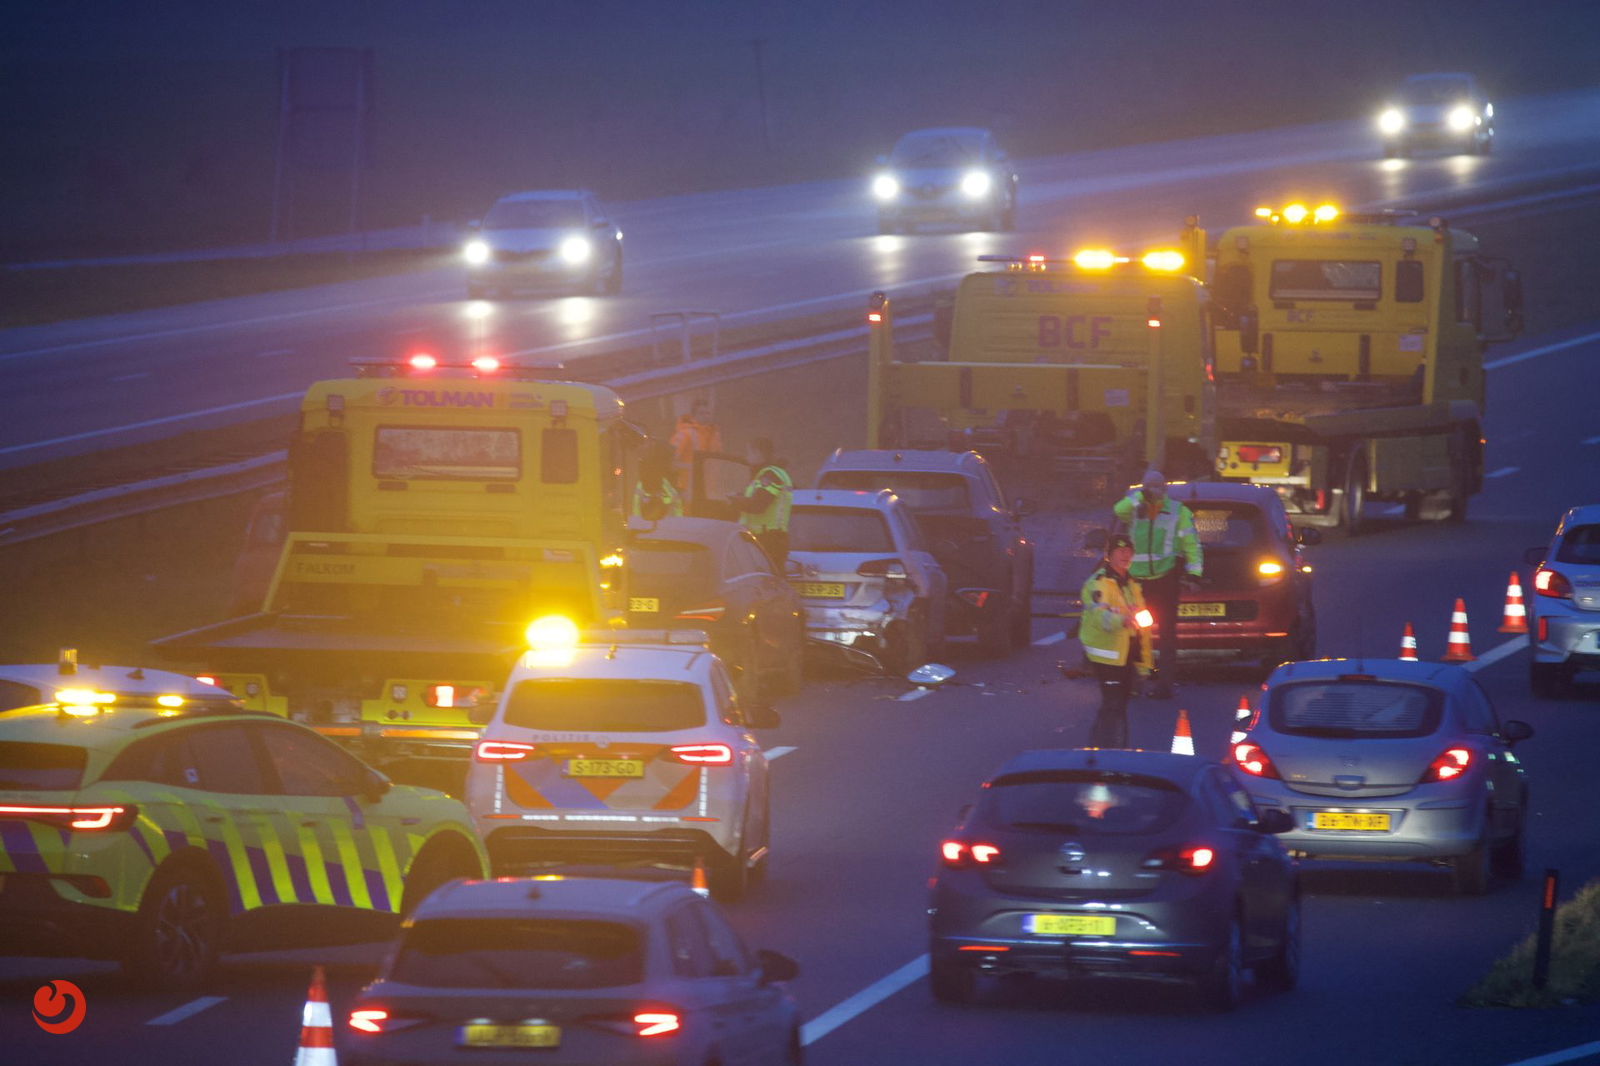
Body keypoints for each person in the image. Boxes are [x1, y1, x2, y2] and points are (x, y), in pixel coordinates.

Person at [1112, 468, 1203, 699]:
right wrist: (1140, 496)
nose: (1153, 490)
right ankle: (1134, 683)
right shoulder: (1134, 508)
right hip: (1136, 583)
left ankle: (1164, 685)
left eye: (1157, 486)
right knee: (1133, 633)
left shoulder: (1177, 511)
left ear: (1165, 488)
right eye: (1149, 487)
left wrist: (1194, 575)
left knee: (1167, 635)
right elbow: (1119, 510)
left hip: (1165, 580)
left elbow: (1191, 544)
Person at [1078, 532, 1154, 749]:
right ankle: (1107, 750)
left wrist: (1144, 664)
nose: (1125, 555)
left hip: (1125, 654)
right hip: (1106, 656)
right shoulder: (1099, 583)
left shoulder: (1131, 584)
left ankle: (1109, 749)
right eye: (1120, 551)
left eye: (1129, 551)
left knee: (1119, 704)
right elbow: (1099, 616)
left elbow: (1143, 627)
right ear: (1108, 555)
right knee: (1113, 704)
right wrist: (1122, 620)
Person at [728, 437, 792, 565]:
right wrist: (740, 498)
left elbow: (758, 505)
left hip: (769, 539)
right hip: (765, 538)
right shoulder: (764, 475)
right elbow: (758, 499)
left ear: (758, 454)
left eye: (749, 453)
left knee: (767, 575)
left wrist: (735, 501)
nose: (747, 457)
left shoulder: (771, 475)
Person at [670, 398, 723, 492]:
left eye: (708, 413)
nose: (706, 416)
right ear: (693, 416)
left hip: (708, 488)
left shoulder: (714, 435)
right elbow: (670, 461)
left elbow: (717, 462)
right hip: (687, 488)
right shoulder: (685, 434)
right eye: (701, 413)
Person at [631, 440, 683, 521]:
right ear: (665, 461)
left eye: (678, 461)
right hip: (659, 527)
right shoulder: (651, 483)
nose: (678, 464)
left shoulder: (672, 480)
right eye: (674, 460)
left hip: (671, 526)